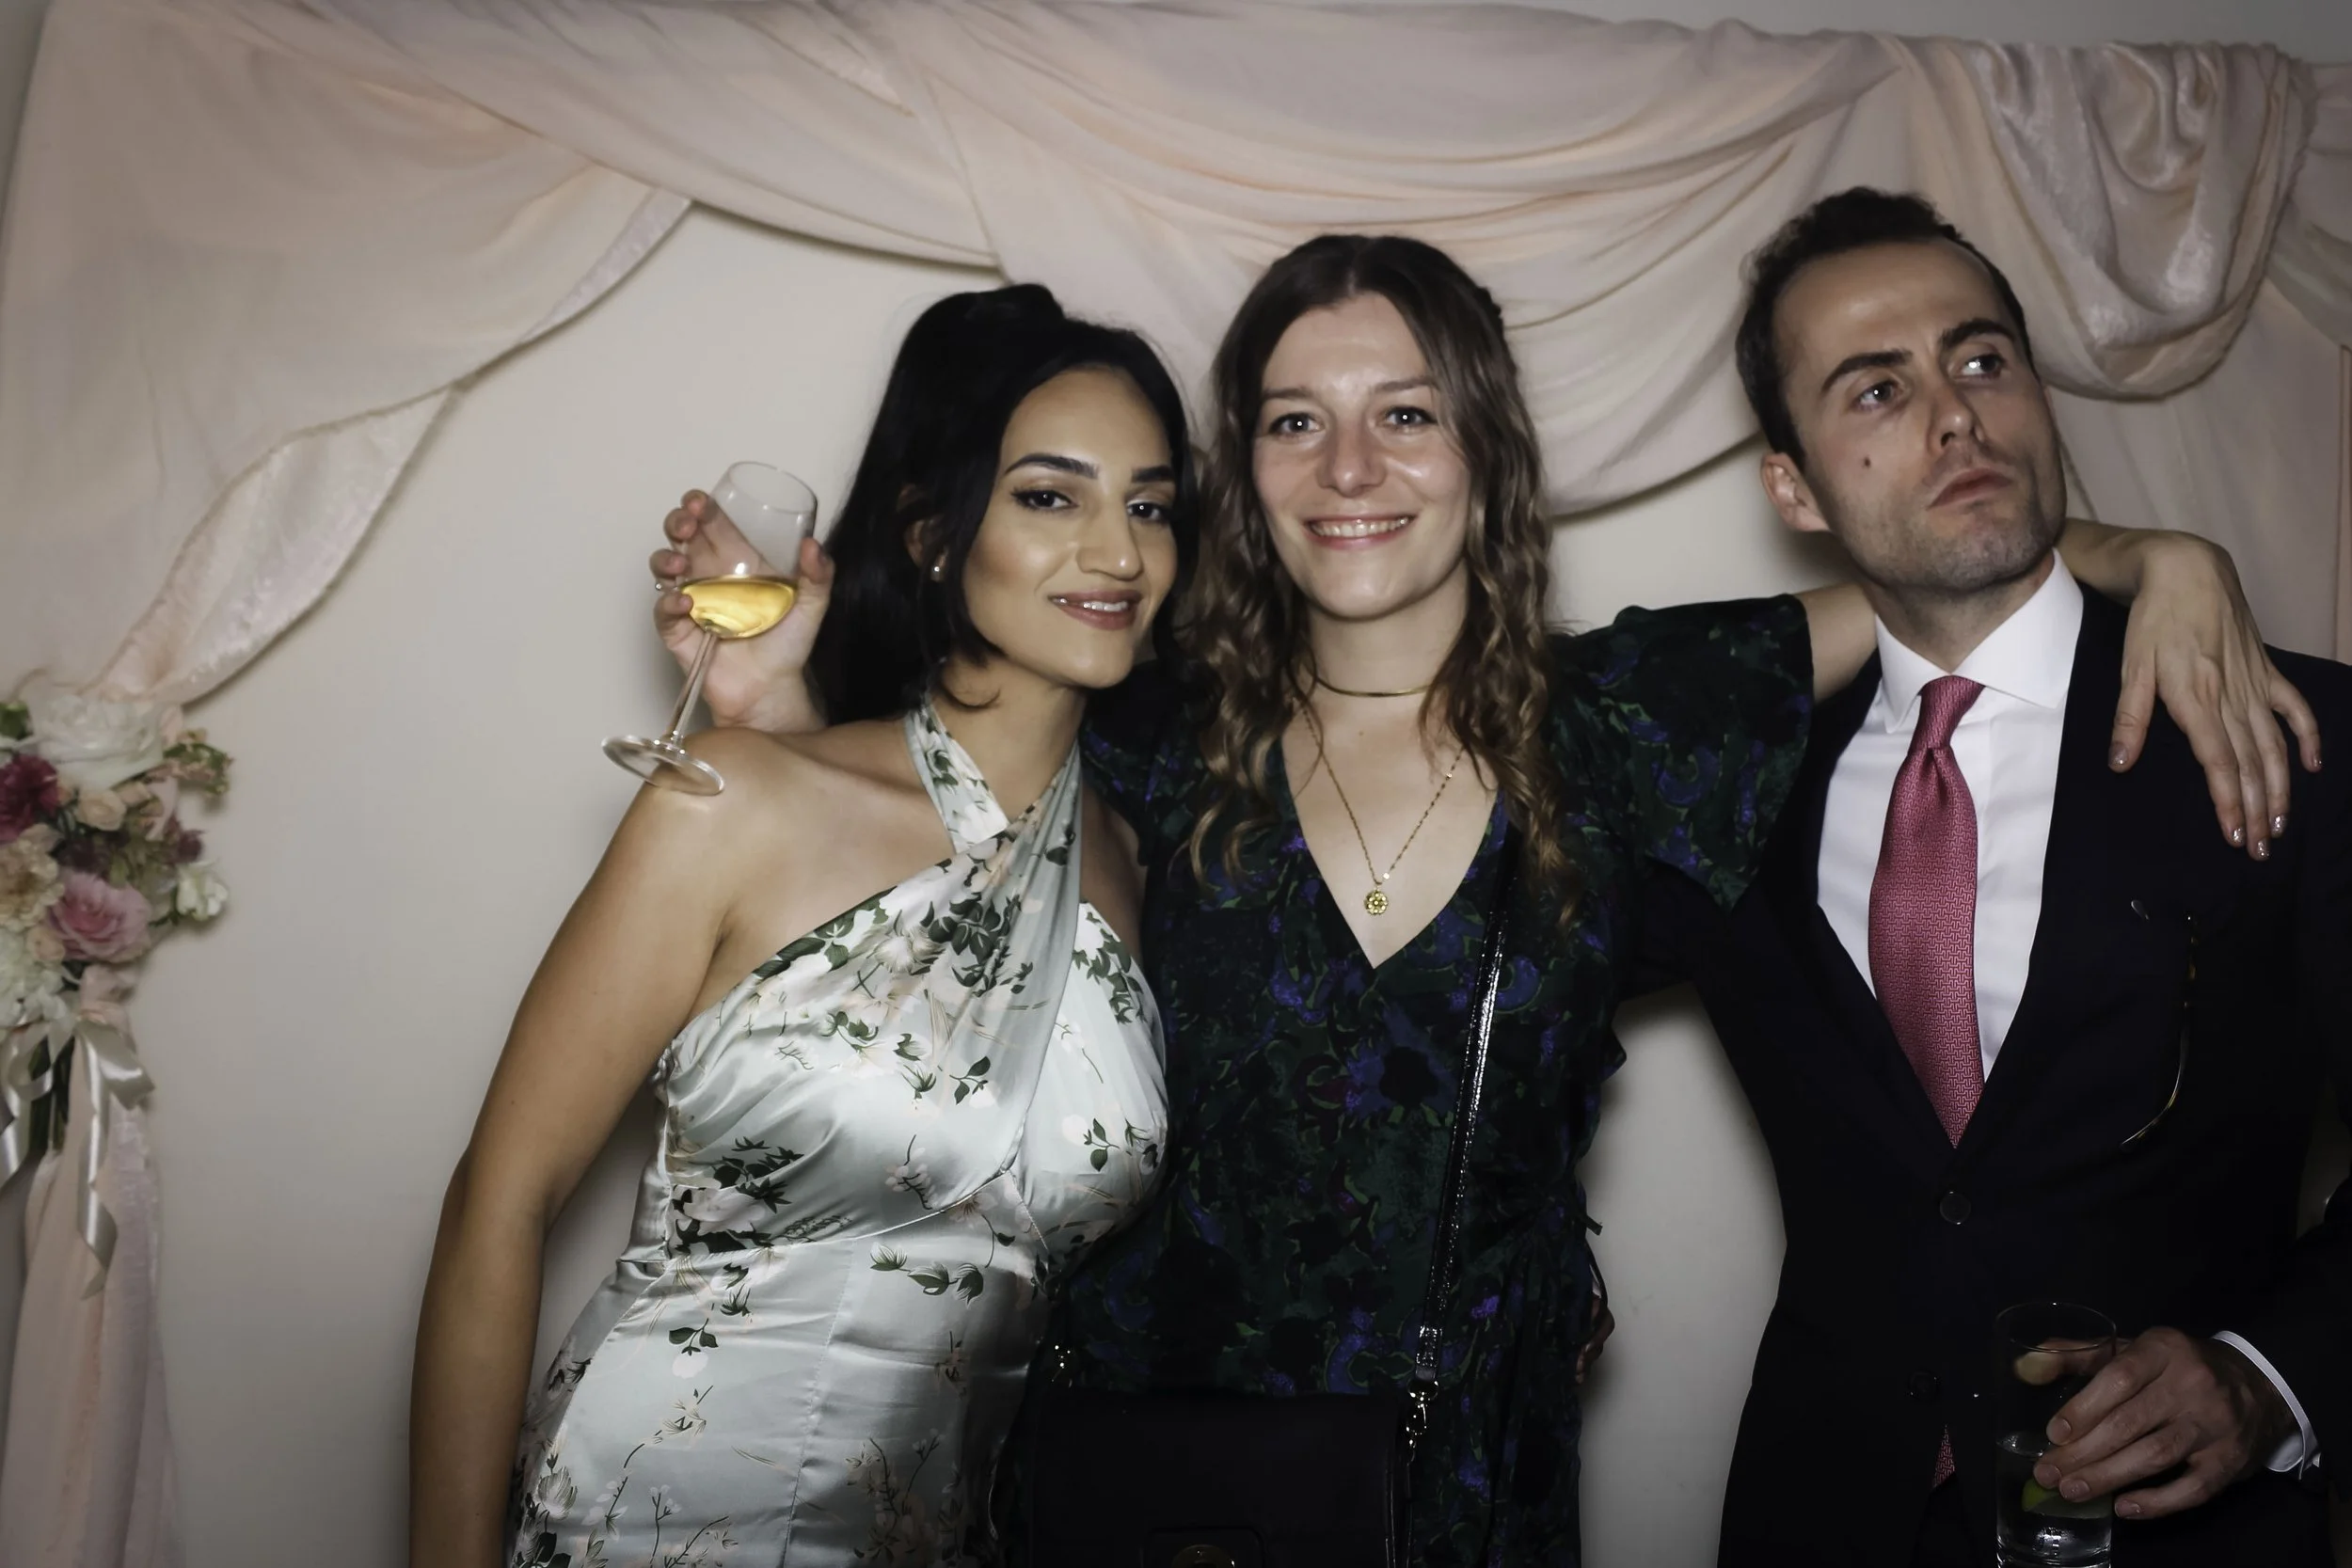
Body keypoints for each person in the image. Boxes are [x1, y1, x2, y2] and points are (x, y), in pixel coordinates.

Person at [650, 236, 2302, 1564]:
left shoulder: (1635, 720)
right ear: (1243, 470)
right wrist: (779, 713)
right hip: (1140, 1492)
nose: (1351, 465)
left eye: (1409, 412)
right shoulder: (1140, 735)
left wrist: (2158, 557)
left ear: (1486, 451)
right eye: (1295, 420)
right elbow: (909, 923)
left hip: (1469, 1499)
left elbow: (1942, 573)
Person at [408, 286, 1197, 1568]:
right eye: (1052, 497)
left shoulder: (1137, 864)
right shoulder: (738, 801)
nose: (1117, 552)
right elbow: (499, 1202)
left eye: (1150, 506)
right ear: (934, 532)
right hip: (643, 1521)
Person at [1635, 187, 2350, 1567]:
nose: (1955, 416)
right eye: (1877, 389)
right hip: (1828, 1523)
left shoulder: (2294, 734)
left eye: (1980, 359)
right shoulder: (1724, 776)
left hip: (2188, 1537)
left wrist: (2271, 1375)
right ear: (1794, 487)